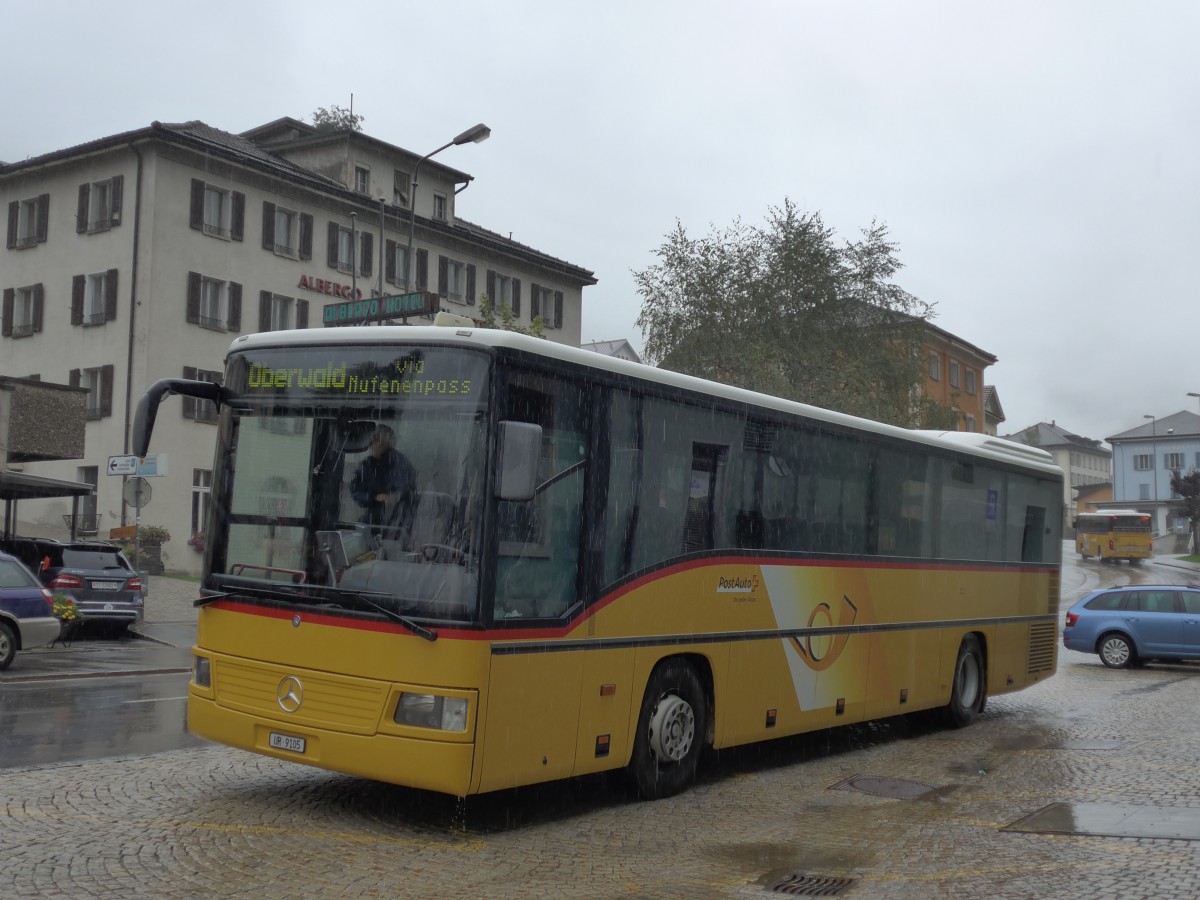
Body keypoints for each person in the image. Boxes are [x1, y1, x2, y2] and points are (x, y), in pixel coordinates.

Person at [350, 425, 417, 535]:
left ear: (390, 442)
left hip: (400, 520)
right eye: (374, 440)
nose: (375, 444)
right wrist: (373, 497)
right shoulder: (366, 465)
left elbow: (409, 489)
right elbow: (355, 491)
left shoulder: (401, 463)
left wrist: (395, 496)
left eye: (379, 440)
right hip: (373, 521)